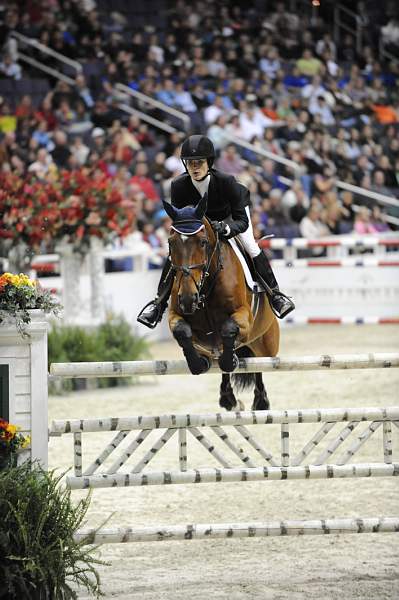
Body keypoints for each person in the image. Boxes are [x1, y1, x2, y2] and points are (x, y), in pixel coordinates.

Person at [137, 135, 295, 329]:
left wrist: (226, 229)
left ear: (209, 162)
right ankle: (158, 304)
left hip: (230, 216)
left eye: (199, 163)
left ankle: (276, 295)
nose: (194, 167)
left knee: (250, 246)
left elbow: (242, 222)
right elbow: (181, 221)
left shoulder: (226, 182)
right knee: (175, 255)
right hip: (200, 224)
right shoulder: (178, 186)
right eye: (190, 163)